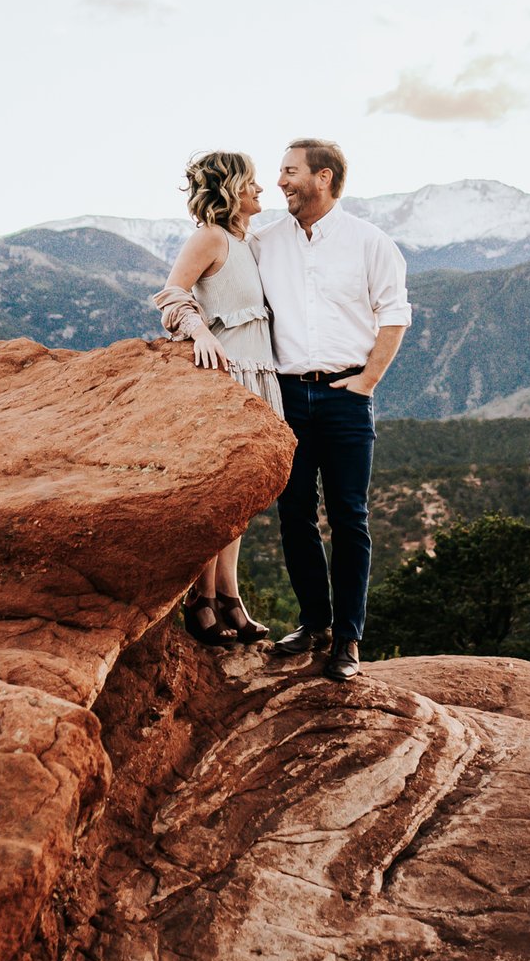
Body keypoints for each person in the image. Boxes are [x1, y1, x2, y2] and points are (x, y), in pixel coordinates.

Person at [252, 138, 410, 681]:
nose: (280, 182)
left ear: (323, 178)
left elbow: (395, 314)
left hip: (346, 397)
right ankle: (314, 622)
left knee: (349, 518)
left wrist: (367, 380)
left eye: (289, 171)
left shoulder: (371, 242)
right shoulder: (264, 242)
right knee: (293, 515)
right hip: (286, 396)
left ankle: (348, 638)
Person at [151, 150, 280, 646]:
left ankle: (229, 596)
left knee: (241, 500)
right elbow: (171, 293)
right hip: (228, 373)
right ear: (231, 188)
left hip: (260, 374)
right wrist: (199, 332)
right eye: (252, 183)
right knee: (219, 497)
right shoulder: (210, 237)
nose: (261, 191)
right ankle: (202, 600)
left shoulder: (247, 242)